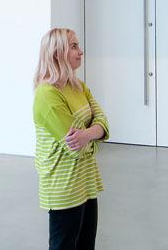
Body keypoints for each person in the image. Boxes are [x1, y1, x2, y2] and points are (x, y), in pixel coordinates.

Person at [33, 28, 110, 250]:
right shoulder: (47, 94)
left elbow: (103, 120)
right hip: (63, 187)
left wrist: (88, 135)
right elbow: (74, 147)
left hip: (86, 183)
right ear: (57, 53)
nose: (81, 51)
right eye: (74, 46)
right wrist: (95, 134)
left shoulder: (78, 86)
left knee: (86, 245)